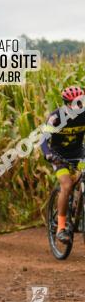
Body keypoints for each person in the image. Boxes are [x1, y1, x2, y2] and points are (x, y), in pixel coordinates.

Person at [40, 86, 85, 244]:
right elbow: (44, 139)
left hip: (79, 154)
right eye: (74, 104)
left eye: (80, 103)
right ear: (66, 104)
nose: (78, 107)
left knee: (81, 181)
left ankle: (77, 207)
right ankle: (60, 228)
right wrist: (48, 154)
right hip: (59, 156)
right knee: (66, 185)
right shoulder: (56, 118)